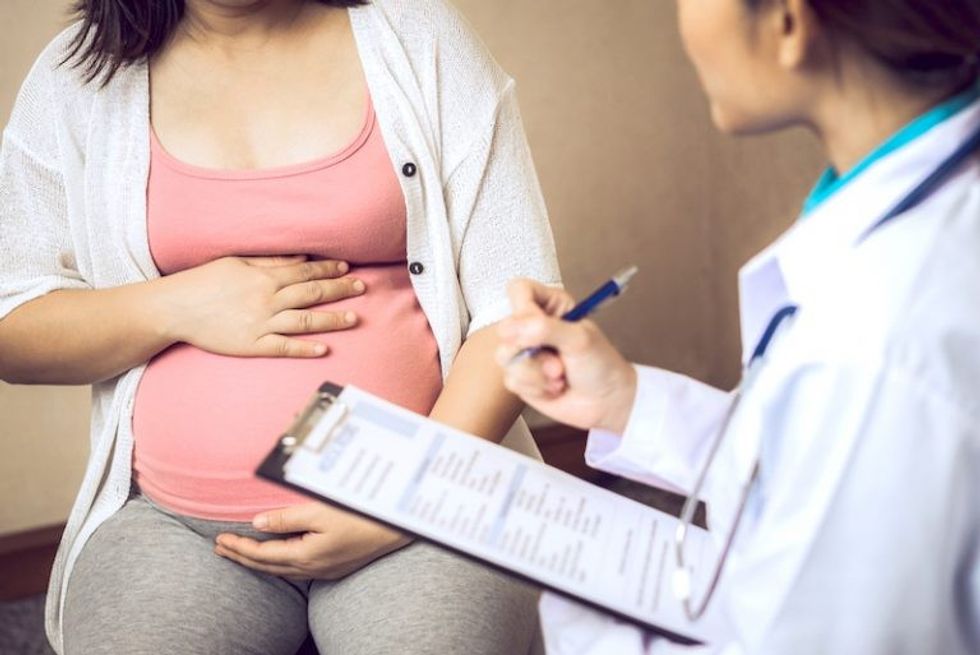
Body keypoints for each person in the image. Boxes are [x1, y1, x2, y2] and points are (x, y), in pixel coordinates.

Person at [0, 0, 560, 653]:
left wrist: (405, 495)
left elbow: (516, 305)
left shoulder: (416, 34)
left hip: (426, 506)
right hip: (172, 525)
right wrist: (176, 304)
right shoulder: (83, 74)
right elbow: (12, 318)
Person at [496, 1, 980, 653]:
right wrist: (626, 400)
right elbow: (800, 462)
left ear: (788, 23)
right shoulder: (930, 204)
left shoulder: (873, 341)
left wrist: (580, 616)